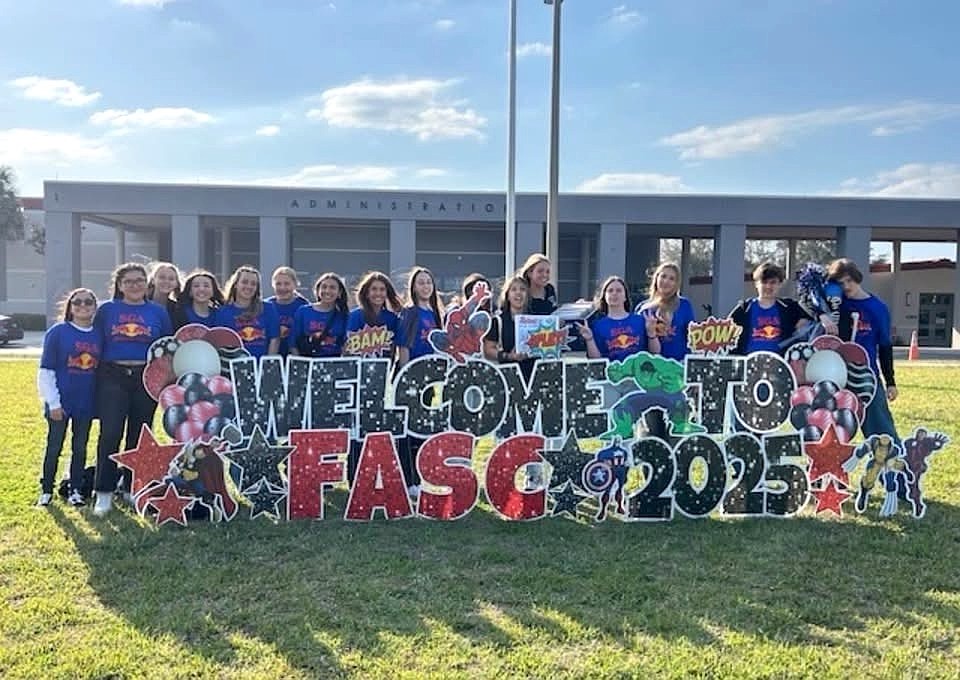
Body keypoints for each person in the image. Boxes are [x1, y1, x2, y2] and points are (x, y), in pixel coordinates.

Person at [92, 263, 173, 516]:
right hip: (112, 375)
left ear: (146, 283)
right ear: (119, 285)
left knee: (139, 436)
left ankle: (131, 487)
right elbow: (94, 342)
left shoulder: (158, 312)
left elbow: (166, 348)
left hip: (145, 377)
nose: (135, 285)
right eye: (128, 281)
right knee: (111, 433)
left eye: (139, 280)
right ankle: (103, 492)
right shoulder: (106, 310)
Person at [36, 288, 101, 507]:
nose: (83, 306)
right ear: (70, 306)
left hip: (85, 402)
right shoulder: (58, 332)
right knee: (54, 446)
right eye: (77, 302)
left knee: (80, 447)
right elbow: (46, 371)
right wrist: (53, 402)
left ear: (95, 306)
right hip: (60, 402)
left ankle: (75, 489)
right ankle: (46, 491)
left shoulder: (99, 333)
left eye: (89, 302)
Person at [826, 258, 899, 442]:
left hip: (867, 377)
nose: (846, 287)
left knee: (882, 432)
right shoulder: (835, 306)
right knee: (830, 434)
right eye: (840, 283)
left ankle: (892, 469)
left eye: (849, 281)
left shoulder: (877, 308)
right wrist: (822, 316)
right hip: (837, 377)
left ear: (857, 279)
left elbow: (884, 345)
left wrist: (890, 381)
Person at [344, 271, 402, 482]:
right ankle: (354, 475)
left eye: (382, 289)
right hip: (358, 379)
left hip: (382, 379)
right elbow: (348, 348)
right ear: (366, 293)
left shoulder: (392, 319)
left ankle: (376, 472)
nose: (378, 293)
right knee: (357, 427)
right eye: (374, 289)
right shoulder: (356, 316)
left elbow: (395, 348)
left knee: (378, 427)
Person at [395, 267, 445, 499]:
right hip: (411, 376)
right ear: (413, 287)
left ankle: (419, 476)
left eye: (428, 282)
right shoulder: (410, 312)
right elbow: (403, 346)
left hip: (429, 378)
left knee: (423, 429)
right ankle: (408, 480)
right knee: (408, 431)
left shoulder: (435, 313)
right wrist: (406, 376)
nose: (425, 286)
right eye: (421, 282)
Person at [728, 262, 811, 355]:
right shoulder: (744, 309)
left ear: (780, 284)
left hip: (781, 362)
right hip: (747, 362)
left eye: (773, 282)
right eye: (764, 282)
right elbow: (726, 335)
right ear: (756, 284)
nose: (768, 286)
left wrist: (821, 316)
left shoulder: (790, 307)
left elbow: (811, 317)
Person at [579, 276, 660, 362]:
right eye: (610, 291)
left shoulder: (640, 321)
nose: (614, 293)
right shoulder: (597, 326)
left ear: (625, 297)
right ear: (604, 297)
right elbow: (596, 361)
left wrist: (651, 333)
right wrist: (589, 339)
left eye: (619, 290)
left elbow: (655, 353)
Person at [635, 262, 696, 362]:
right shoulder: (642, 308)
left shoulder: (684, 305)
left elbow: (692, 337)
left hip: (680, 365)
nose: (666, 281)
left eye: (672, 279)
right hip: (652, 366)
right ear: (656, 278)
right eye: (663, 276)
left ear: (677, 284)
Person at [216, 266, 281, 359]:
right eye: (244, 282)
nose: (249, 286)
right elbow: (221, 344)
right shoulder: (222, 312)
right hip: (234, 367)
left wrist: (267, 364)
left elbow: (274, 339)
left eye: (253, 284)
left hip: (261, 366)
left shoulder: (268, 308)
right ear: (236, 285)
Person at [291, 272, 349, 358]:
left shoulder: (343, 316)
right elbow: (293, 343)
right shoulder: (303, 311)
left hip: (334, 362)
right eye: (324, 287)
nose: (327, 291)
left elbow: (346, 345)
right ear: (318, 291)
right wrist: (301, 365)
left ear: (339, 292)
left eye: (332, 288)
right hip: (308, 361)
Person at [489, 275, 534, 381]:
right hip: (507, 376)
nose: (518, 293)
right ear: (507, 295)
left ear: (527, 295)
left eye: (522, 289)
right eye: (514, 289)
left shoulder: (537, 320)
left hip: (534, 375)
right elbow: (488, 350)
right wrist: (509, 356)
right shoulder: (497, 321)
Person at [267, 266, 309, 358]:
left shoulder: (304, 306)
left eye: (287, 284)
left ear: (295, 284)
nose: (282, 288)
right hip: (271, 355)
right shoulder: (266, 306)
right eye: (278, 284)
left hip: (297, 356)